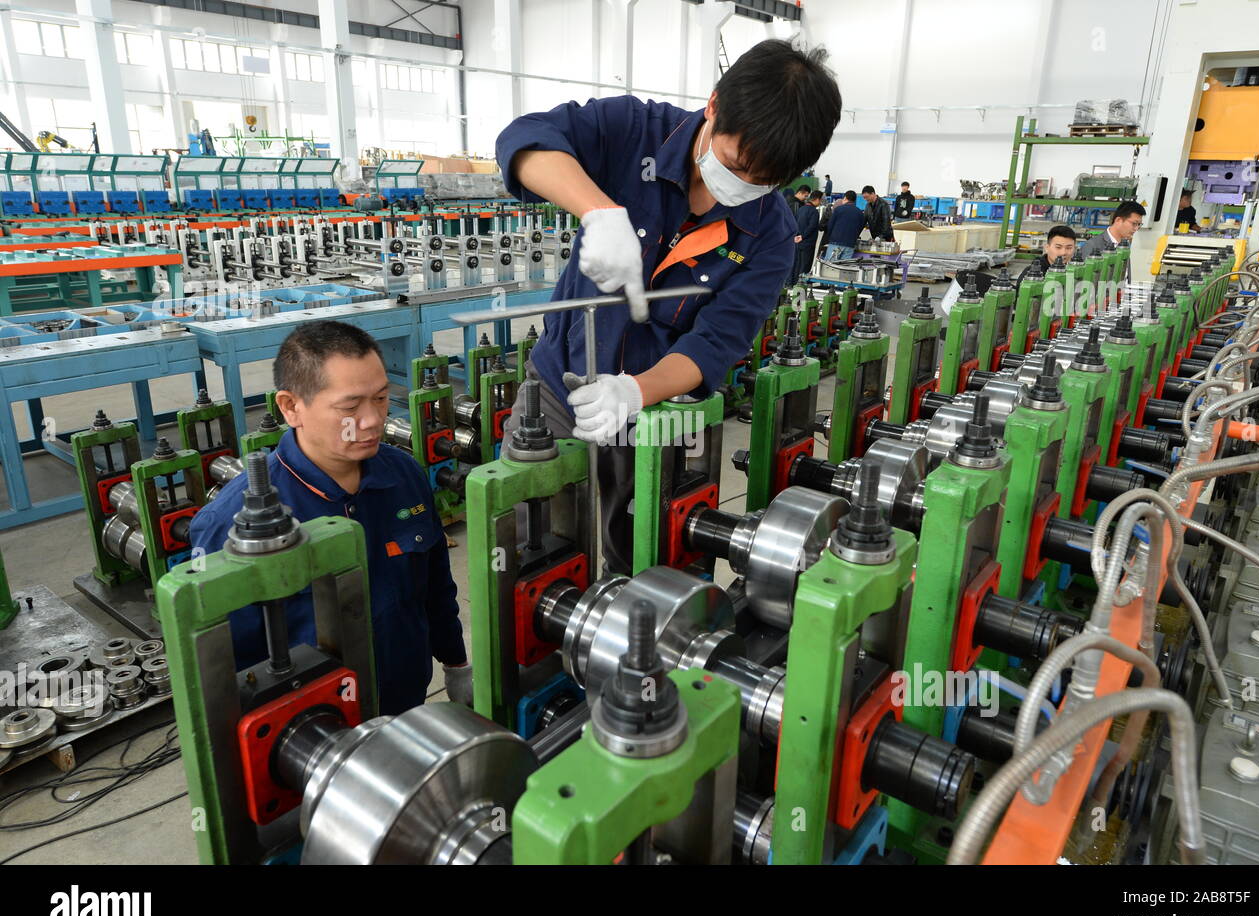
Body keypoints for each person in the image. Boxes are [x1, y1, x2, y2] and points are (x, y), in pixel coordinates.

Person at [494, 39, 841, 573]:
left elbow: (717, 341)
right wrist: (599, 213)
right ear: (714, 105)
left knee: (646, 565)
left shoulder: (771, 233)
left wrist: (634, 391)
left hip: (659, 418)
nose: (743, 185)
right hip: (555, 397)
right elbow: (524, 138)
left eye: (766, 179)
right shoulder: (633, 130)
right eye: (737, 163)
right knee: (525, 556)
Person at [187, 321, 469, 714]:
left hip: (405, 701)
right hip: (310, 729)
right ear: (291, 407)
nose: (372, 420)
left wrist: (455, 661)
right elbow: (226, 670)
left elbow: (436, 586)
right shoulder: (229, 525)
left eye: (382, 398)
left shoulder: (404, 476)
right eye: (350, 407)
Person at [1080, 199, 1144, 258]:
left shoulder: (1125, 247)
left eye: (1139, 225)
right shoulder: (1092, 246)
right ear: (1118, 220)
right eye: (1134, 223)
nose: (1136, 228)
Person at [790, 189, 823, 283]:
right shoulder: (814, 212)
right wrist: (803, 236)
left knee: (797, 263)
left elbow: (795, 223)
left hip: (798, 241)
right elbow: (812, 227)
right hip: (808, 242)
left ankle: (792, 282)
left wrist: (797, 236)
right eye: (820, 200)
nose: (820, 203)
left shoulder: (801, 209)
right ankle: (801, 283)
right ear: (816, 199)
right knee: (805, 264)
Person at [823, 189, 864, 261]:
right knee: (843, 267)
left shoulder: (838, 209)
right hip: (850, 245)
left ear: (845, 198)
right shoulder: (860, 213)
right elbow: (860, 228)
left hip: (835, 242)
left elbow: (830, 225)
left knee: (830, 266)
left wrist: (830, 238)